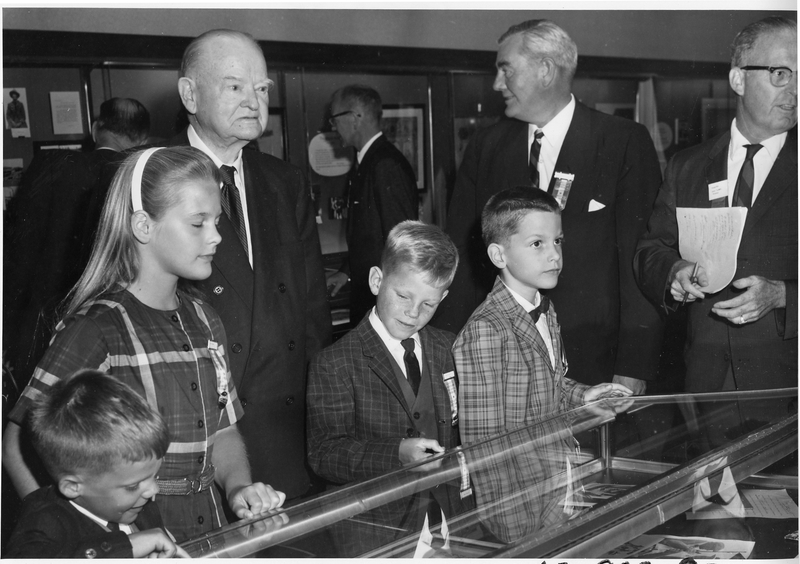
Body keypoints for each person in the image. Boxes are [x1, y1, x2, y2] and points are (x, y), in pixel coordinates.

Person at [3, 146, 285, 542]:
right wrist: (73, 539)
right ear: (144, 226)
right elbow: (17, 444)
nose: (217, 236)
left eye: (218, 221)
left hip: (210, 534)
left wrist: (238, 490)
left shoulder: (206, 320)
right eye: (198, 223)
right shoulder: (97, 328)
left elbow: (221, 430)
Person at [435, 19, 663, 393]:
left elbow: (640, 260)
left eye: (505, 69)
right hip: (502, 366)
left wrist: (634, 363)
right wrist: (447, 354)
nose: (496, 83)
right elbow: (462, 255)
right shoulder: (486, 148)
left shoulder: (621, 142)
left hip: (596, 364)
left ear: (545, 70)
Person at [173, 29, 331, 499]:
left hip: (285, 433)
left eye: (261, 89)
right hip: (202, 435)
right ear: (190, 94)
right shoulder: (149, 178)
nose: (253, 101)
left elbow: (311, 311)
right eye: (235, 86)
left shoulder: (284, 181)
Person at [634, 17, 797, 433]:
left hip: (787, 392)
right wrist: (673, 272)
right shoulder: (687, 166)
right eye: (780, 73)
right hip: (705, 391)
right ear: (738, 79)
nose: (794, 90)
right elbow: (651, 250)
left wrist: (783, 297)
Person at [307, 220, 467, 556]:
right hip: (375, 531)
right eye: (403, 296)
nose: (413, 313)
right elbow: (325, 454)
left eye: (429, 304)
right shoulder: (335, 362)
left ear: (444, 297)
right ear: (377, 280)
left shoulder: (447, 348)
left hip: (444, 521)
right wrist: (396, 453)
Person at [454, 187, 633, 447]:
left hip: (559, 468)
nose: (554, 255)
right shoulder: (486, 330)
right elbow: (485, 448)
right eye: (537, 243)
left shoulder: (546, 310)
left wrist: (583, 395)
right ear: (498, 255)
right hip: (523, 482)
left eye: (557, 241)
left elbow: (545, 387)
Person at [3, 97, 150, 399]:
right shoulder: (143, 179)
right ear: (143, 138)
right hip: (120, 331)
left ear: (96, 129)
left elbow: (18, 256)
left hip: (42, 325)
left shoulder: (53, 168)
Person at [5, 370, 188, 558]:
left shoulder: (139, 507)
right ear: (73, 487)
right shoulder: (42, 525)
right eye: (133, 486)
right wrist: (126, 546)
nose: (153, 490)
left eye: (153, 476)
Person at [325, 85, 419, 323]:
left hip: (381, 303)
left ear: (356, 117)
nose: (332, 127)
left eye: (334, 119)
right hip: (369, 294)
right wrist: (346, 272)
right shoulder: (368, 161)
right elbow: (368, 233)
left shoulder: (384, 164)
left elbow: (400, 242)